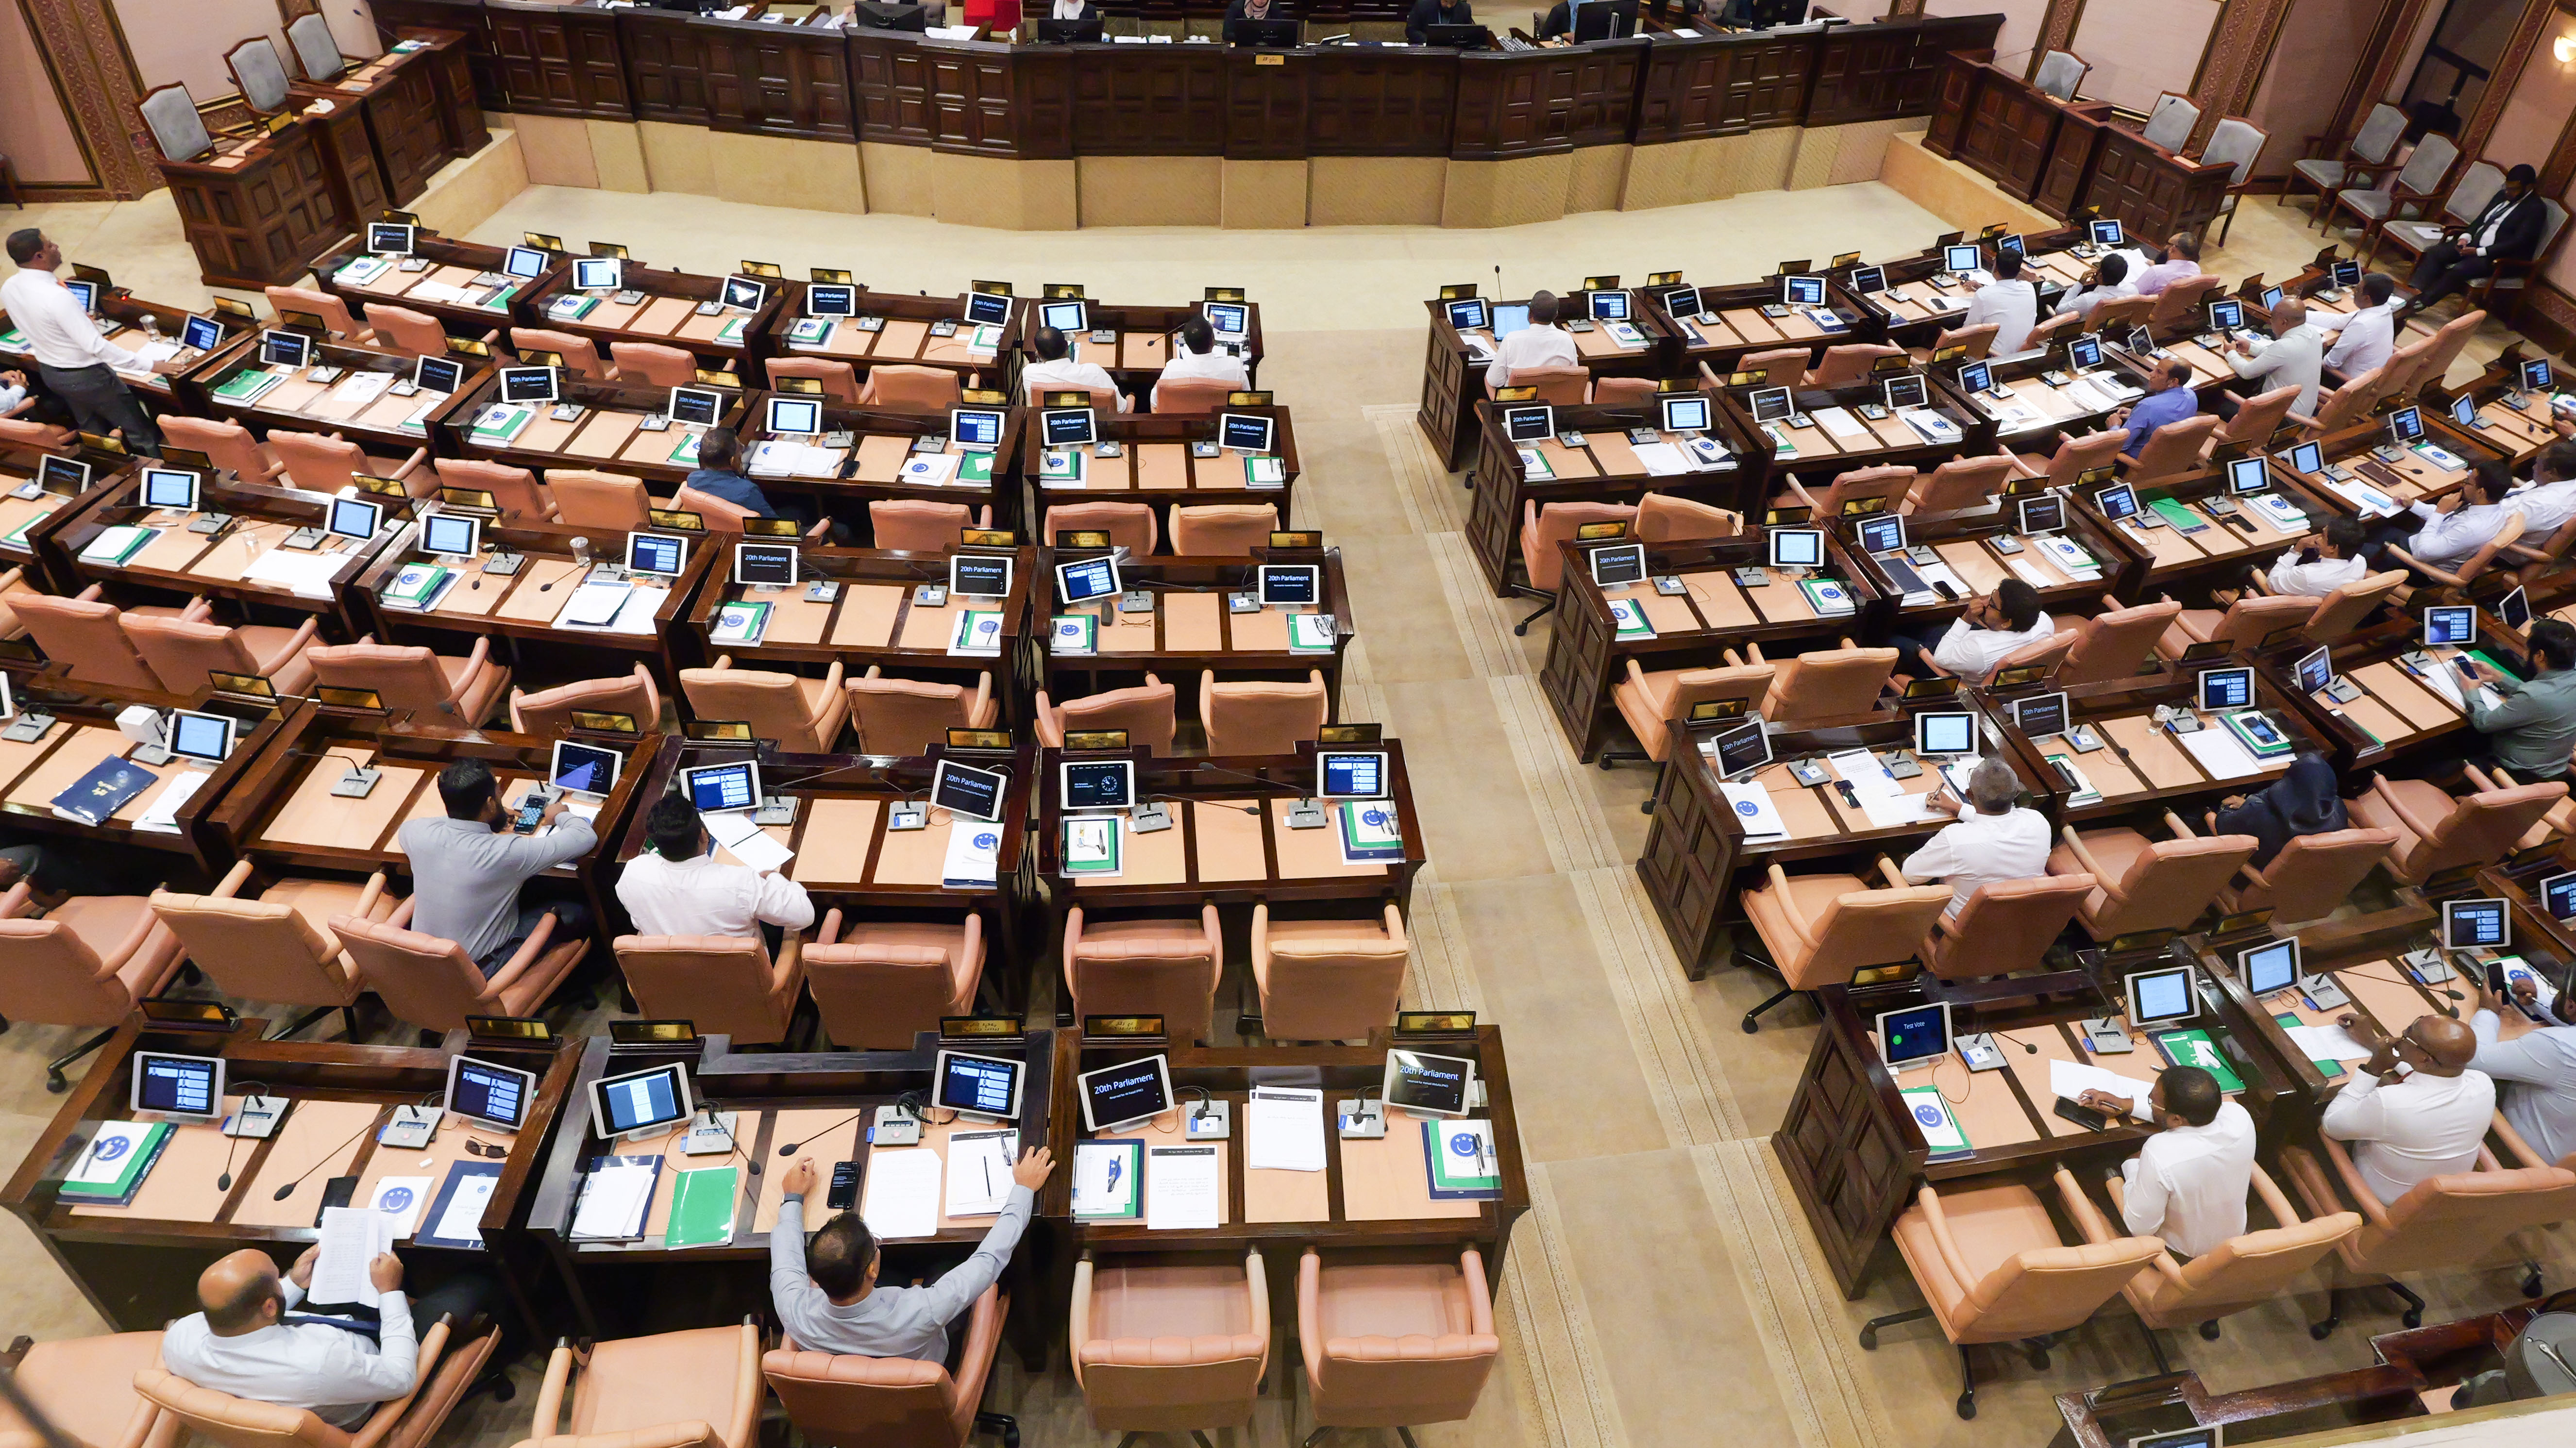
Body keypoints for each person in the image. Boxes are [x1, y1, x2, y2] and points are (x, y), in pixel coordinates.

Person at [770, 1147, 1054, 1361]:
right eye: (875, 1245)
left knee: (904, 1268)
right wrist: (1023, 1189)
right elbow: (989, 1261)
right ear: (872, 1270)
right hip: (924, 1370)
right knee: (948, 1264)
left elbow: (785, 1255)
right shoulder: (924, 1311)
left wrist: (793, 1197)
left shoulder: (792, 1309)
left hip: (853, 1391)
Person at [161, 1247, 495, 1428]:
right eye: (278, 1278)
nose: (282, 1279)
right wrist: (390, 1292)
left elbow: (251, 1317)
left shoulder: (180, 1339)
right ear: (269, 1306)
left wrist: (294, 1282)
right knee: (478, 1279)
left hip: (330, 1360)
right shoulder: (317, 1363)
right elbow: (400, 1378)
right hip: (375, 1374)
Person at [397, 758, 595, 975]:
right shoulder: (505, 852)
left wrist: (484, 817)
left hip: (425, 962)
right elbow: (584, 837)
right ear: (490, 803)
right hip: (480, 970)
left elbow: (433, 824)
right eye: (498, 796)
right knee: (578, 911)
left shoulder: (415, 834)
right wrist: (560, 814)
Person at [0, 231, 166, 455]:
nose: (56, 247)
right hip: (89, 378)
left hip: (53, 373)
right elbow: (96, 347)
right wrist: (152, 365)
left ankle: (109, 466)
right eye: (50, 245)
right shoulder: (57, 296)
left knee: (93, 431)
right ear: (40, 256)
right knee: (140, 432)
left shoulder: (9, 287)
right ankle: (154, 467)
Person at [2073, 1065, 2256, 1258]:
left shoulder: (2160, 1153)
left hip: (2179, 1256)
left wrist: (2133, 1163)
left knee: (2098, 1164)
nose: (2150, 1103)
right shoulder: (2239, 1116)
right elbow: (2182, 1118)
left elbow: (2140, 1228)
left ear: (2176, 1119)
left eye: (2152, 1101)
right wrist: (2127, 1104)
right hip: (2234, 1242)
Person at [2320, 1013, 2494, 1205]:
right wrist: (2373, 1043)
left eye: (2407, 1036)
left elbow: (2331, 1125)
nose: (2401, 1034)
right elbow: (2429, 1073)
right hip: (2444, 1197)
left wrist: (2374, 1068)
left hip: (2385, 1198)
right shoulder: (2483, 1084)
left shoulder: (2391, 1104)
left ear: (2425, 1059)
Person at [616, 794, 815, 942]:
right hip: (741, 980)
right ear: (703, 836)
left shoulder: (633, 874)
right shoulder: (741, 883)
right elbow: (804, 915)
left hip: (672, 977)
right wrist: (774, 878)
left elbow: (639, 923)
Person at [1899, 756, 2050, 916]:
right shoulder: (2038, 822)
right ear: (2017, 793)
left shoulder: (1955, 839)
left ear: (1969, 794)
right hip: (2020, 918)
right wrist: (1955, 807)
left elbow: (1910, 875)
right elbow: (1994, 823)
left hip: (1962, 922)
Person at [2469, 965, 2576, 1166]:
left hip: (2519, 1156)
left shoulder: (2558, 1047)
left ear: (2570, 1006)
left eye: (2561, 990)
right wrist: (2539, 1000)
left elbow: (2472, 1058)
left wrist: (2487, 1011)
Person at [2410, 163, 2547, 312]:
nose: (2508, 192)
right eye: (2507, 187)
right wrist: (2465, 238)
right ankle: (2412, 292)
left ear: (2529, 187)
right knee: (2436, 252)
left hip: (2497, 258)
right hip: (2474, 245)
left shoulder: (2535, 209)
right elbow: (2480, 221)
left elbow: (2518, 243)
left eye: (2514, 189)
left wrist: (2479, 252)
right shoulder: (2502, 196)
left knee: (2460, 270)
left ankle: (2420, 303)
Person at [2460, 616, 2576, 781]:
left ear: (2540, 656)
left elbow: (2483, 723)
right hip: (2553, 764)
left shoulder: (2536, 696)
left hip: (2520, 773)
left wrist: (2471, 690)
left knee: (2450, 750)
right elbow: (2543, 698)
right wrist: (2498, 677)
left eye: (2527, 647)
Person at [2368, 460, 2514, 582]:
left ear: (2481, 491)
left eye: (2467, 482)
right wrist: (2412, 504)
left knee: (2358, 547)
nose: (2462, 485)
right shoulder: (2494, 509)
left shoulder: (2472, 528)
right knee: (2374, 530)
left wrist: (2440, 511)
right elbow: (2447, 519)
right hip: (2418, 542)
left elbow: (2422, 552)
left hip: (2415, 565)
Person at [1887, 578, 2052, 684]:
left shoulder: (1979, 650)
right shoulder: (2044, 621)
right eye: (1991, 596)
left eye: (1992, 605)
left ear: (2007, 623)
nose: (1984, 603)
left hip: (1947, 663)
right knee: (1926, 626)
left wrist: (1967, 618)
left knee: (1890, 639)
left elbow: (1940, 658)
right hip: (1964, 646)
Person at [2206, 753, 2348, 868]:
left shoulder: (2259, 812)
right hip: (2296, 879)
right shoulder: (2339, 811)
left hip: (2245, 873)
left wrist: (2222, 809)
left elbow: (2223, 826)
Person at [2222, 297, 2324, 417]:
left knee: (2220, 404)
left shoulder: (2284, 346)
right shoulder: (2313, 334)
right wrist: (2250, 348)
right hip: (2303, 414)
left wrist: (2231, 353)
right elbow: (2278, 356)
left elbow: (2247, 372)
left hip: (2281, 417)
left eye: (2272, 320)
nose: (2271, 325)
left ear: (2284, 322)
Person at [1483, 289, 1578, 394]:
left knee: (1488, 380)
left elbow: (1495, 381)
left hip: (1518, 402)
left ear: (1530, 314)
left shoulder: (1511, 340)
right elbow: (1574, 377)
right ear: (1556, 315)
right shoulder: (1567, 339)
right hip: (1554, 401)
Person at [1021, 325, 1130, 412]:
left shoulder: (1029, 374)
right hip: (1100, 427)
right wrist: (1131, 397)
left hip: (1053, 426)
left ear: (1039, 354)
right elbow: (1121, 409)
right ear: (1067, 346)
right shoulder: (1094, 372)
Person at [1150, 313, 1248, 411]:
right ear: (1213, 341)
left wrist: (1156, 387)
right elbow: (1247, 400)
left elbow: (1154, 402)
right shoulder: (1235, 365)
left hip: (1182, 421)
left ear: (1187, 343)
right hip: (1220, 420)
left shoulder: (1172, 368)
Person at [2259, 516, 2370, 599]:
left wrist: (2298, 548)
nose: (2317, 539)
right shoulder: (2361, 562)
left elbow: (2272, 582)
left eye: (2323, 536)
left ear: (2333, 547)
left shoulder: (2307, 575)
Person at [2109, 357, 2199, 458]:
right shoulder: (2192, 396)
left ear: (2173, 382)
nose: (2151, 374)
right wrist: (2136, 414)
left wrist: (2114, 426)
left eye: (2159, 372)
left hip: (2135, 461)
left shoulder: (2148, 406)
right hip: (2170, 458)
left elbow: (2120, 446)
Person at [2318, 273, 2400, 378]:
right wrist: (2303, 313)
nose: (2353, 292)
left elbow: (2330, 363)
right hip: (2372, 378)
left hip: (2346, 381)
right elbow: (2338, 321)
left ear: (2366, 298)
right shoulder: (2385, 310)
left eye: (2357, 290)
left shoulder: (2361, 325)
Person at [1959, 249, 2037, 355]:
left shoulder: (1983, 295)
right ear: (2019, 270)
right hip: (2023, 356)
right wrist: (1983, 289)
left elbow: (1968, 330)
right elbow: (2006, 299)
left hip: (1993, 357)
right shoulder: (2029, 288)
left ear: (1995, 268)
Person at [2508, 438, 2576, 541]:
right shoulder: (2566, 482)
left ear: (2551, 473)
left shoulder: (2540, 504)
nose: (2534, 467)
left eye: (2538, 464)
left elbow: (2495, 527)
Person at [2052, 251, 2135, 321]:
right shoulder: (2133, 290)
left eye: (2099, 267)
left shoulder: (2087, 300)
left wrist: (2080, 283)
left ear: (2100, 276)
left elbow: (2059, 311)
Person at [2130, 233, 2203, 298]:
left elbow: (2133, 294)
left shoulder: (2156, 272)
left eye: (2168, 243)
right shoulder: (2196, 269)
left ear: (2172, 249)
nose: (2165, 247)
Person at [1406, 0, 1474, 44]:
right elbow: (1411, 30)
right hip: (1426, 51)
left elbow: (1469, 35)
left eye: (1453, 3)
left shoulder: (1465, 9)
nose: (1449, 6)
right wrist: (1429, 41)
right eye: (1446, 1)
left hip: (1453, 52)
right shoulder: (1423, 5)